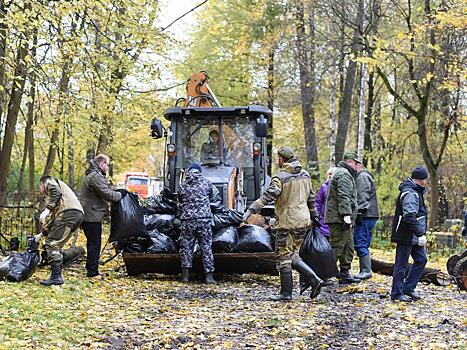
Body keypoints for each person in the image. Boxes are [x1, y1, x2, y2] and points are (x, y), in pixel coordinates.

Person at [243, 147, 322, 301]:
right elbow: (311, 197)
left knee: (283, 256)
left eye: (278, 158)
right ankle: (313, 280)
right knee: (292, 254)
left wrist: (251, 209)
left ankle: (288, 292)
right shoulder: (305, 175)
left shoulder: (280, 177)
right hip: (303, 221)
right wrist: (315, 215)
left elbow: (268, 196)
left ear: (281, 159)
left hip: (287, 222)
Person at [35, 176, 84, 286]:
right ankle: (59, 267)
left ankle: (56, 276)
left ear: (43, 183)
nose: (40, 190)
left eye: (40, 187)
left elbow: (55, 192)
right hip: (76, 214)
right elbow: (55, 221)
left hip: (69, 213)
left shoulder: (50, 181)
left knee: (51, 244)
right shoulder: (62, 201)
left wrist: (47, 210)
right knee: (56, 244)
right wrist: (42, 234)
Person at [79, 154, 122, 278]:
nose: (107, 167)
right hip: (91, 216)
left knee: (92, 243)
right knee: (94, 244)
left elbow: (106, 189)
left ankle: (92, 269)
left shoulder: (93, 175)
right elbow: (107, 194)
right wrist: (121, 195)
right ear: (102, 164)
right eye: (107, 165)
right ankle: (92, 272)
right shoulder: (96, 177)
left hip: (89, 214)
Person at [390, 165, 429, 302]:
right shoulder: (410, 193)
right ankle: (396, 293)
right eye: (425, 179)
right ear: (422, 180)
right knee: (401, 264)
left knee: (421, 259)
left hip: (414, 236)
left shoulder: (415, 191)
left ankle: (408, 288)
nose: (426, 182)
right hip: (406, 234)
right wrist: (420, 234)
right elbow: (409, 217)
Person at [324, 152, 361, 284]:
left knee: (348, 246)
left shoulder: (345, 174)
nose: (358, 167)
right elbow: (343, 196)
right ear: (349, 162)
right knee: (337, 247)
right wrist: (346, 215)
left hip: (343, 218)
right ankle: (323, 275)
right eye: (357, 164)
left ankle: (344, 273)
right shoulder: (344, 174)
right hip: (339, 218)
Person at [179, 163, 218, 284]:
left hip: (187, 221)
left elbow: (180, 199)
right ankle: (209, 277)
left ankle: (185, 276)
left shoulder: (183, 185)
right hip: (204, 220)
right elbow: (213, 196)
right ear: (200, 172)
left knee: (186, 247)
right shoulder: (207, 183)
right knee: (206, 247)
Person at [353, 163, 379, 280]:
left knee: (360, 241)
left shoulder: (362, 177)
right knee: (362, 242)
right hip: (368, 214)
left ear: (358, 165)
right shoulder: (364, 176)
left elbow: (362, 196)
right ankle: (365, 269)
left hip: (366, 215)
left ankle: (365, 270)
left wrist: (359, 213)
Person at [315, 167, 335, 240]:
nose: (330, 175)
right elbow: (318, 203)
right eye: (329, 174)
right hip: (323, 219)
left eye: (332, 174)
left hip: (334, 219)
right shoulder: (324, 187)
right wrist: (316, 215)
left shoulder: (339, 187)